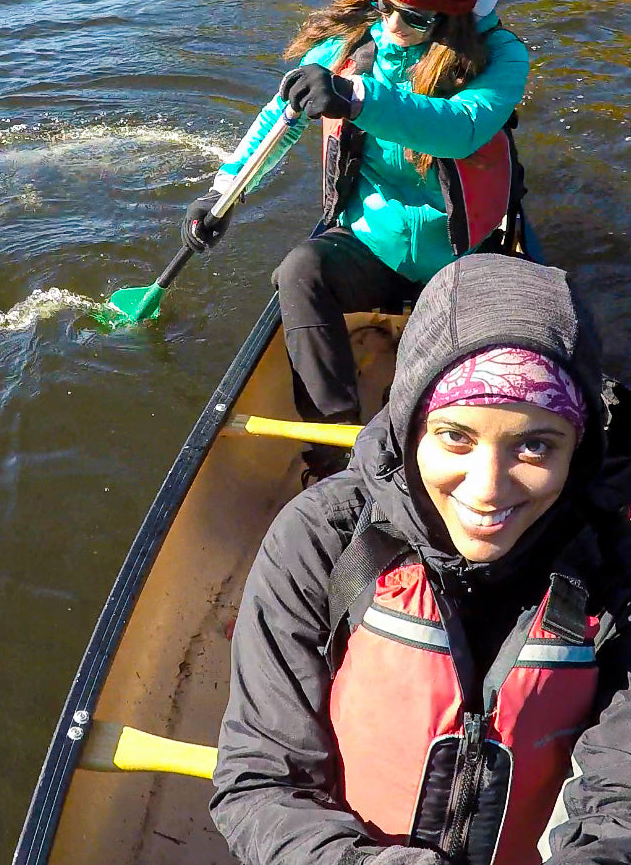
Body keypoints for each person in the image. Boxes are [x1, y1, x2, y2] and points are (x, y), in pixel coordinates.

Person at [210, 254, 631, 865]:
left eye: (536, 445)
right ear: (410, 429)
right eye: (455, 436)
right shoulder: (322, 538)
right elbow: (261, 782)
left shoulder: (614, 566)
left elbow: (621, 804)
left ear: (579, 449)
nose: (488, 489)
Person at [181, 0, 529, 450]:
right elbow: (278, 122)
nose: (392, 26)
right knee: (300, 270)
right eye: (383, 5)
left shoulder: (502, 57)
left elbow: (460, 129)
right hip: (372, 241)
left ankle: (417, 428)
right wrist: (222, 194)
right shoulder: (351, 51)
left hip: (460, 254)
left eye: (415, 17)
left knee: (448, 379)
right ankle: (333, 431)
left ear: (452, 15)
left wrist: (355, 97)